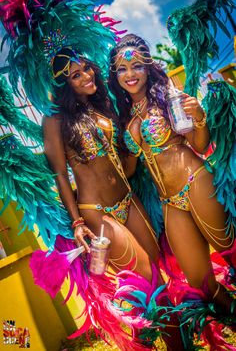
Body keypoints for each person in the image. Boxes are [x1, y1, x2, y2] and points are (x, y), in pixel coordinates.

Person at [43, 47, 185, 350]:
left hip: (129, 201)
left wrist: (136, 142)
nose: (86, 76)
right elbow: (59, 175)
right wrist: (78, 223)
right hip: (98, 212)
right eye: (75, 75)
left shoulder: (104, 107)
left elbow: (126, 163)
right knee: (148, 276)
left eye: (86, 68)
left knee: (154, 274)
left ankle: (169, 343)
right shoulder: (54, 122)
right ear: (64, 85)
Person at [108, 33, 236, 315]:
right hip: (169, 202)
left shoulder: (168, 96)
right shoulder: (124, 118)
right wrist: (123, 151)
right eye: (122, 69)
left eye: (137, 65)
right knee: (201, 283)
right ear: (114, 74)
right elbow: (129, 171)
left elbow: (200, 145)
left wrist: (199, 117)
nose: (130, 74)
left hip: (195, 181)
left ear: (148, 67)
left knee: (232, 252)